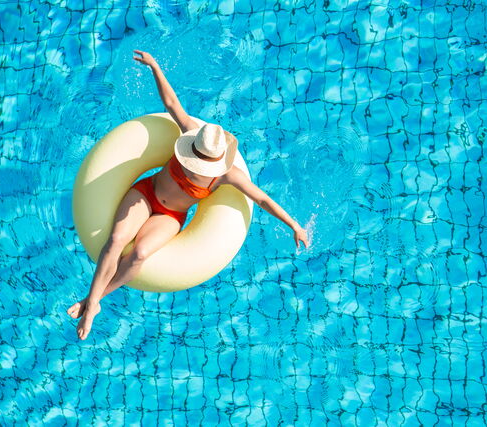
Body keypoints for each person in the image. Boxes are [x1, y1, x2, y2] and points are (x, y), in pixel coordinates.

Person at [67, 50, 309, 340]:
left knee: (140, 253)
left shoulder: (227, 174)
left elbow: (262, 199)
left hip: (171, 216)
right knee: (117, 240)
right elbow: (171, 102)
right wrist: (155, 66)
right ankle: (91, 303)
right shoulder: (192, 134)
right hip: (148, 193)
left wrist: (294, 226)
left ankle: (96, 299)